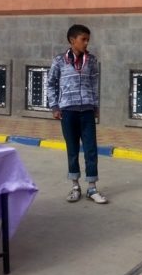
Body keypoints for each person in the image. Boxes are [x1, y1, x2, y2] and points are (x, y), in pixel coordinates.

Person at [46, 24, 108, 204]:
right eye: (83, 39)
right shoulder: (59, 61)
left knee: (90, 149)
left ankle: (92, 188)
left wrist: (95, 106)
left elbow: (95, 85)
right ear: (72, 40)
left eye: (88, 39)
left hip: (87, 111)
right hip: (68, 111)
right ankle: (75, 186)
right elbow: (51, 83)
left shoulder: (91, 60)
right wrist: (55, 106)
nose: (86, 43)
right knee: (72, 150)